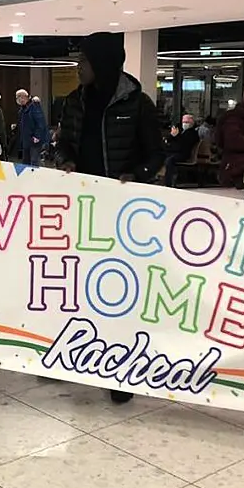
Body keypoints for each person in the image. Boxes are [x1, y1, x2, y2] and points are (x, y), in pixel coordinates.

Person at [55, 31, 162, 404]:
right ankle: (71, 354)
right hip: (82, 210)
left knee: (117, 290)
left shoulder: (137, 104)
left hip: (122, 214)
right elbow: (64, 142)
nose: (77, 66)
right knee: (77, 285)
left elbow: (157, 155)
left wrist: (137, 177)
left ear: (101, 63)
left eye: (83, 60)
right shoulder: (74, 102)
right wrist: (64, 160)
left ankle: (121, 370)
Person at [163, 114, 200, 186]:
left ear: (191, 123)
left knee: (170, 160)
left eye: (187, 122)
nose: (185, 124)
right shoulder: (181, 132)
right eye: (184, 122)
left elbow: (184, 144)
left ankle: (168, 182)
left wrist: (177, 136)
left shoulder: (193, 133)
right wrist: (171, 136)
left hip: (183, 154)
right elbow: (171, 140)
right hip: (175, 151)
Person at [16, 89, 50, 166]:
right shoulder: (22, 109)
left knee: (34, 161)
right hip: (26, 140)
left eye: (18, 97)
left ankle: (35, 177)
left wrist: (37, 136)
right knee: (26, 162)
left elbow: (40, 122)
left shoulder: (34, 106)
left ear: (24, 97)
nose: (17, 100)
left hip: (34, 141)